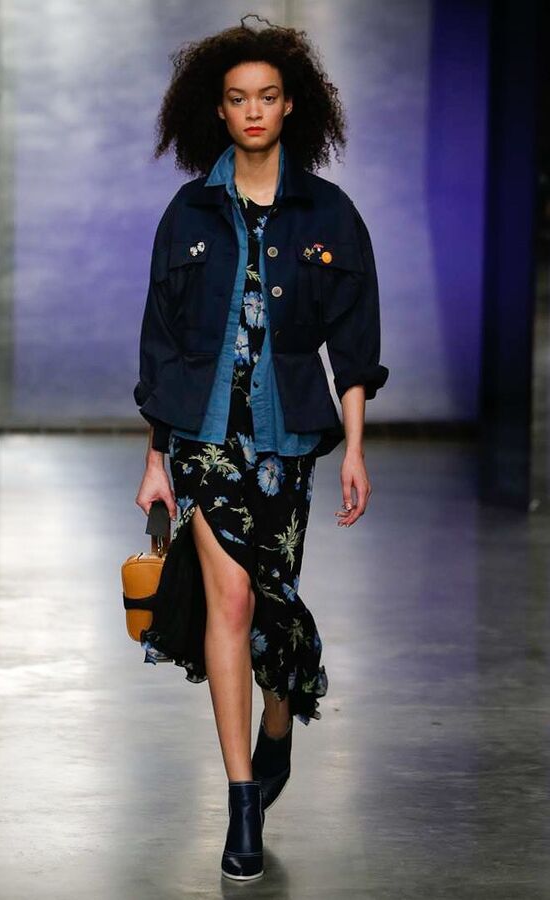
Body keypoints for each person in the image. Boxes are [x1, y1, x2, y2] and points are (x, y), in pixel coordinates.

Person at [133, 13, 389, 881]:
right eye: (238, 98)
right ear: (217, 109)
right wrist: (155, 459)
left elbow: (354, 344)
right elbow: (161, 344)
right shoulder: (188, 213)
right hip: (204, 441)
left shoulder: (329, 213)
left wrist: (355, 450)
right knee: (233, 604)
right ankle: (242, 799)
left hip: (288, 442)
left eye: (267, 96)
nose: (252, 110)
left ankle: (280, 723)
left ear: (291, 106)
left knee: (274, 605)